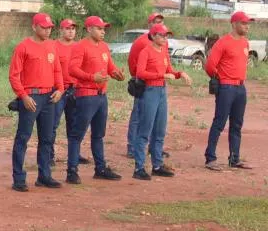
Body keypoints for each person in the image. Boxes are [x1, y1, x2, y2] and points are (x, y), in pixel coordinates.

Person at [65, 15, 124, 184]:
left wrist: (116, 74)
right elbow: (72, 69)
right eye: (99, 28)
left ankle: (100, 168)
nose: (103, 32)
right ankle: (72, 171)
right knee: (77, 135)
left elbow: (109, 66)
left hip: (101, 96)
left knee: (98, 134)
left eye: (104, 29)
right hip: (86, 95)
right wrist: (91, 77)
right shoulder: (81, 46)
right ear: (89, 29)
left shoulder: (104, 47)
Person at [8, 13, 64, 191]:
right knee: (23, 138)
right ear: (34, 27)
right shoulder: (23, 47)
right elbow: (14, 75)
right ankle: (18, 178)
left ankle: (44, 175)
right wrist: (23, 96)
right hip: (31, 97)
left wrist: (60, 89)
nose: (47, 31)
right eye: (44, 27)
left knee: (47, 138)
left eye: (49, 27)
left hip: (49, 97)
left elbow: (57, 70)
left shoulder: (51, 46)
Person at [132, 23, 191, 180]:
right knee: (145, 130)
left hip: (161, 91)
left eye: (166, 36)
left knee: (159, 130)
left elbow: (169, 70)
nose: (165, 38)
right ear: (153, 36)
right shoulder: (146, 51)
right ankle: (139, 167)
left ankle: (157, 165)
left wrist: (180, 73)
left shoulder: (164, 51)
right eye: (162, 35)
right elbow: (140, 73)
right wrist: (161, 75)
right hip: (150, 91)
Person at [204, 11, 255, 171]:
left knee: (237, 124)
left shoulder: (245, 43)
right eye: (243, 23)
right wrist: (220, 78)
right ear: (234, 24)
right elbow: (210, 65)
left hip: (240, 87)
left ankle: (234, 158)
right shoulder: (223, 42)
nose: (247, 26)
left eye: (248, 23)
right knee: (219, 122)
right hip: (226, 87)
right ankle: (210, 158)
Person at [126, 13, 167, 158]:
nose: (159, 23)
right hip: (144, 83)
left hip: (159, 84)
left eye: (161, 21)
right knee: (138, 114)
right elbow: (132, 61)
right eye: (156, 21)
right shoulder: (141, 42)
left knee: (157, 117)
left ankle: (154, 148)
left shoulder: (163, 42)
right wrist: (137, 77)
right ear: (149, 24)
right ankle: (132, 147)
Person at [51, 18, 84, 166]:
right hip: (59, 90)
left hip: (75, 89)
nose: (71, 31)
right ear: (61, 30)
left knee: (74, 124)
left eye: (73, 28)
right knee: (52, 124)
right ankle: (49, 155)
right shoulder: (54, 46)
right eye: (67, 28)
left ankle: (74, 154)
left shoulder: (79, 46)